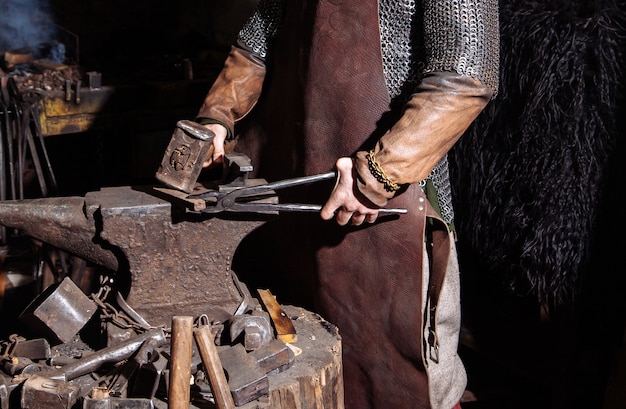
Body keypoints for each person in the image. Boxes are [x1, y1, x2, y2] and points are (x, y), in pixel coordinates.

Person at [193, 1, 499, 408]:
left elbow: (464, 76)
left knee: (405, 388)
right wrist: (217, 117)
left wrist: (379, 173)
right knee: (295, 373)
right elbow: (257, 43)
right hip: (288, 206)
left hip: (384, 215)